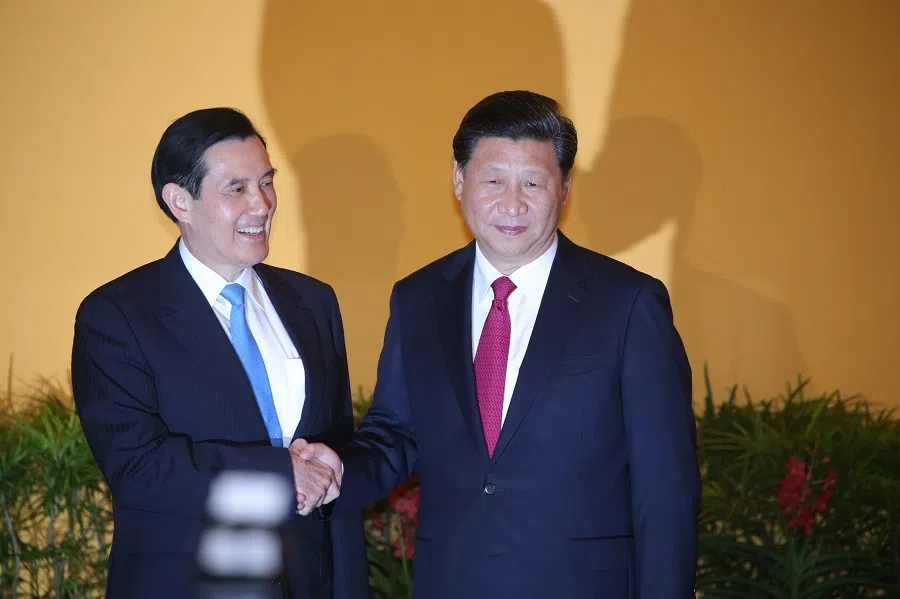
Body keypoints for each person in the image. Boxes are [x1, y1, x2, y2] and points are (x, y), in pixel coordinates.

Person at [301, 90, 701, 598]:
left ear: (564, 188)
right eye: (493, 180)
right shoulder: (418, 299)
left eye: (533, 182)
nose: (512, 204)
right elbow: (397, 433)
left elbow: (666, 488)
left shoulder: (628, 303)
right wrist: (338, 470)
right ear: (459, 180)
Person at [71, 107, 367, 599]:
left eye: (267, 183)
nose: (263, 204)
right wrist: (280, 473)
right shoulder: (117, 315)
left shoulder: (313, 302)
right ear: (179, 201)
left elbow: (334, 454)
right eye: (237, 189)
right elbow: (138, 469)